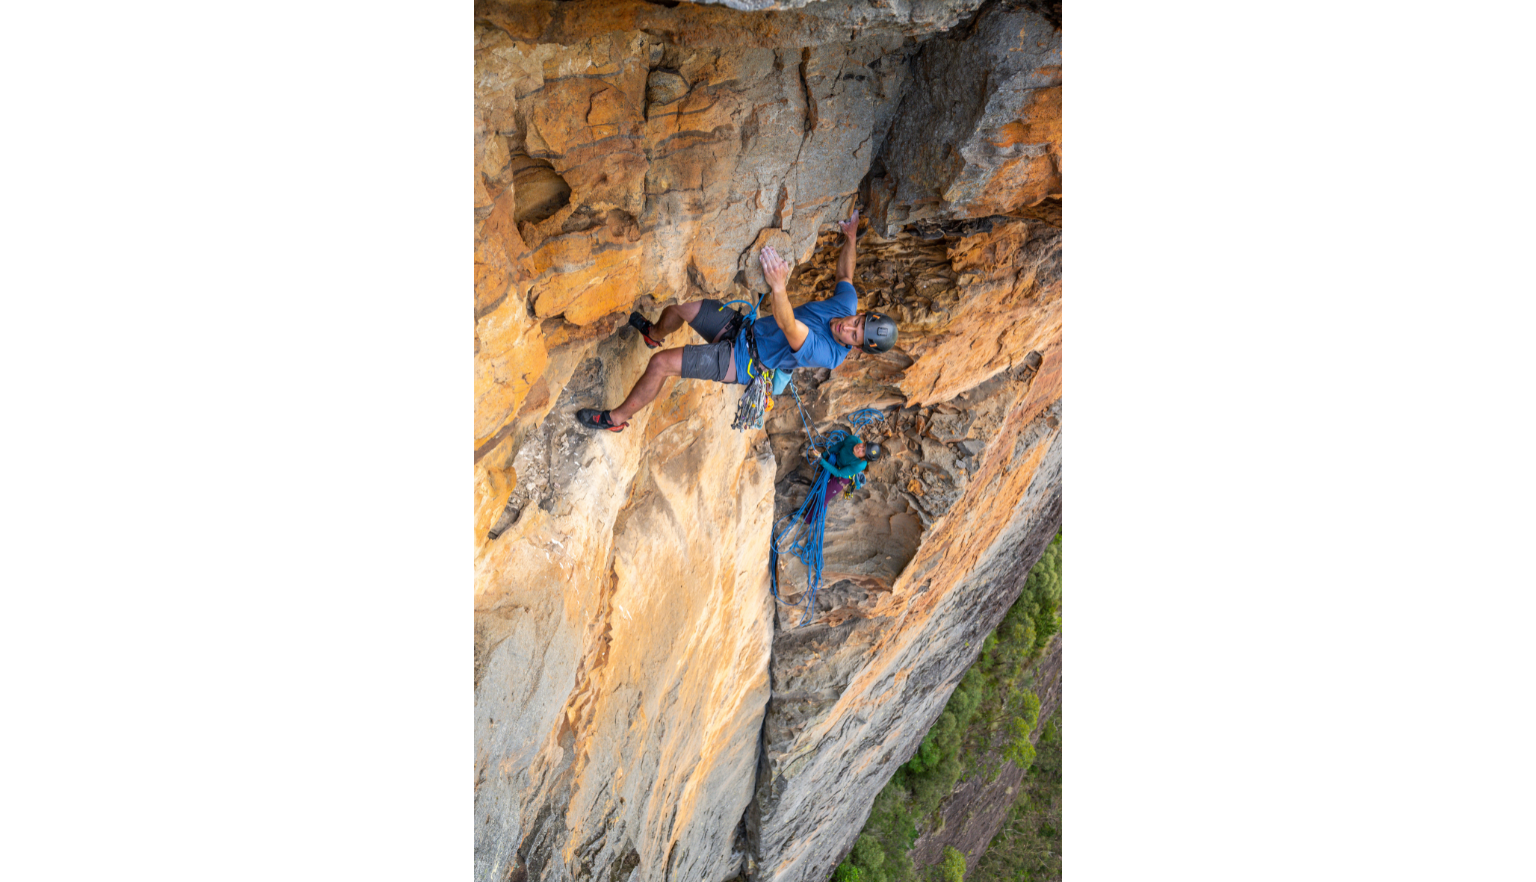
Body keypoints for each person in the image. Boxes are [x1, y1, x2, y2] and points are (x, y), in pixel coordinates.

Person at [575, 208, 899, 432]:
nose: (848, 326)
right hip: (743, 329)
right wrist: (851, 238)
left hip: (743, 360)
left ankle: (615, 418)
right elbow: (845, 274)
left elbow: (789, 326)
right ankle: (653, 333)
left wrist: (778, 285)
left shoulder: (829, 354)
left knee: (661, 365)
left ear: (856, 349)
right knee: (680, 303)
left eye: (854, 335)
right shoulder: (846, 305)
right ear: (861, 312)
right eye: (857, 321)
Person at [804, 435, 884, 523]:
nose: (860, 447)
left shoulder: (860, 465)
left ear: (863, 458)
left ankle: (808, 520)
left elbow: (839, 473)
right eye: (863, 445)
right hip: (836, 462)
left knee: (823, 496)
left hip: (842, 477)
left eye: (863, 451)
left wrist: (821, 461)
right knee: (819, 489)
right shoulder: (852, 440)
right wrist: (824, 455)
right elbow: (839, 446)